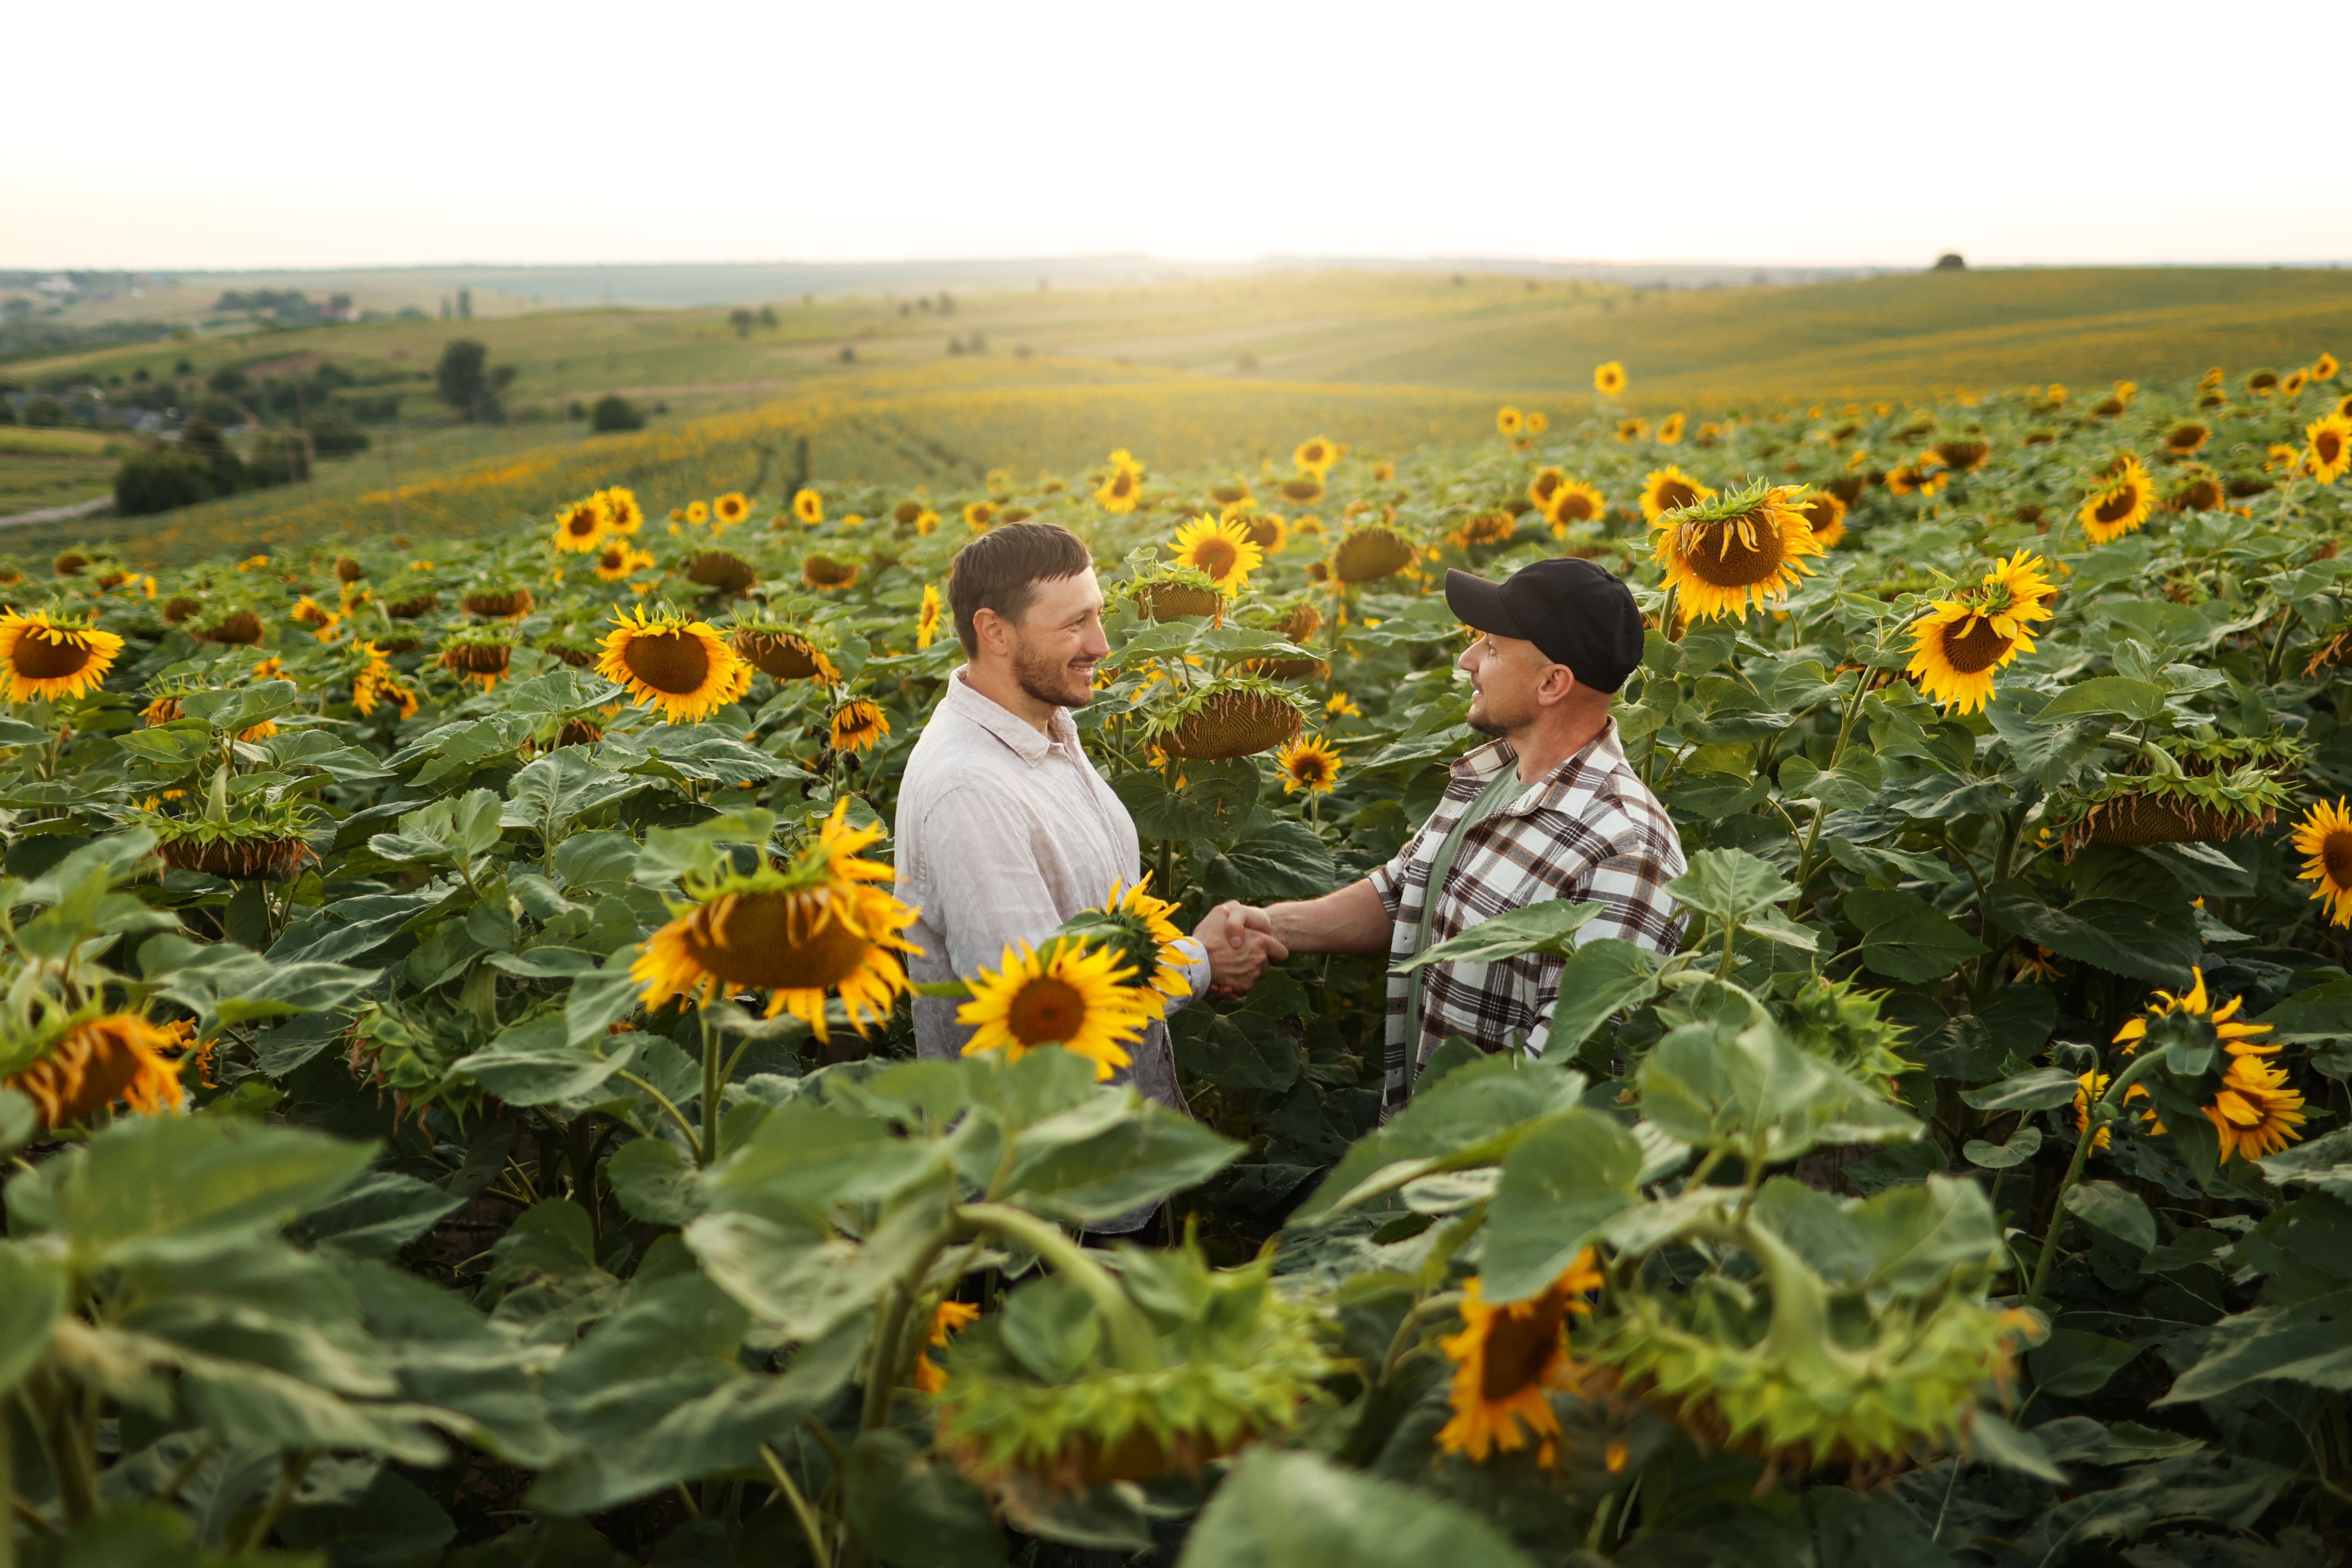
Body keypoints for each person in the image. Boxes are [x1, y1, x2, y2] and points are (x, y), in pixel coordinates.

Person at [894, 522, 1284, 1204]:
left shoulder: (1049, 731)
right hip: (1045, 1191)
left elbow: (1102, 920)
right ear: (995, 631)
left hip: (1112, 1161)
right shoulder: (969, 790)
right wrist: (1198, 961)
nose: (1101, 644)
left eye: (1098, 615)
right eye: (1074, 624)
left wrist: (1184, 949)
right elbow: (1037, 1009)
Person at [1209, 557, 1685, 1115]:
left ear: (1552, 682)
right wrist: (1266, 924)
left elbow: (1569, 1075)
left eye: (1490, 647)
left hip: (1483, 1181)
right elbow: (1401, 893)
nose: (1467, 660)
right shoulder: (1497, 775)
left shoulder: (1626, 849)